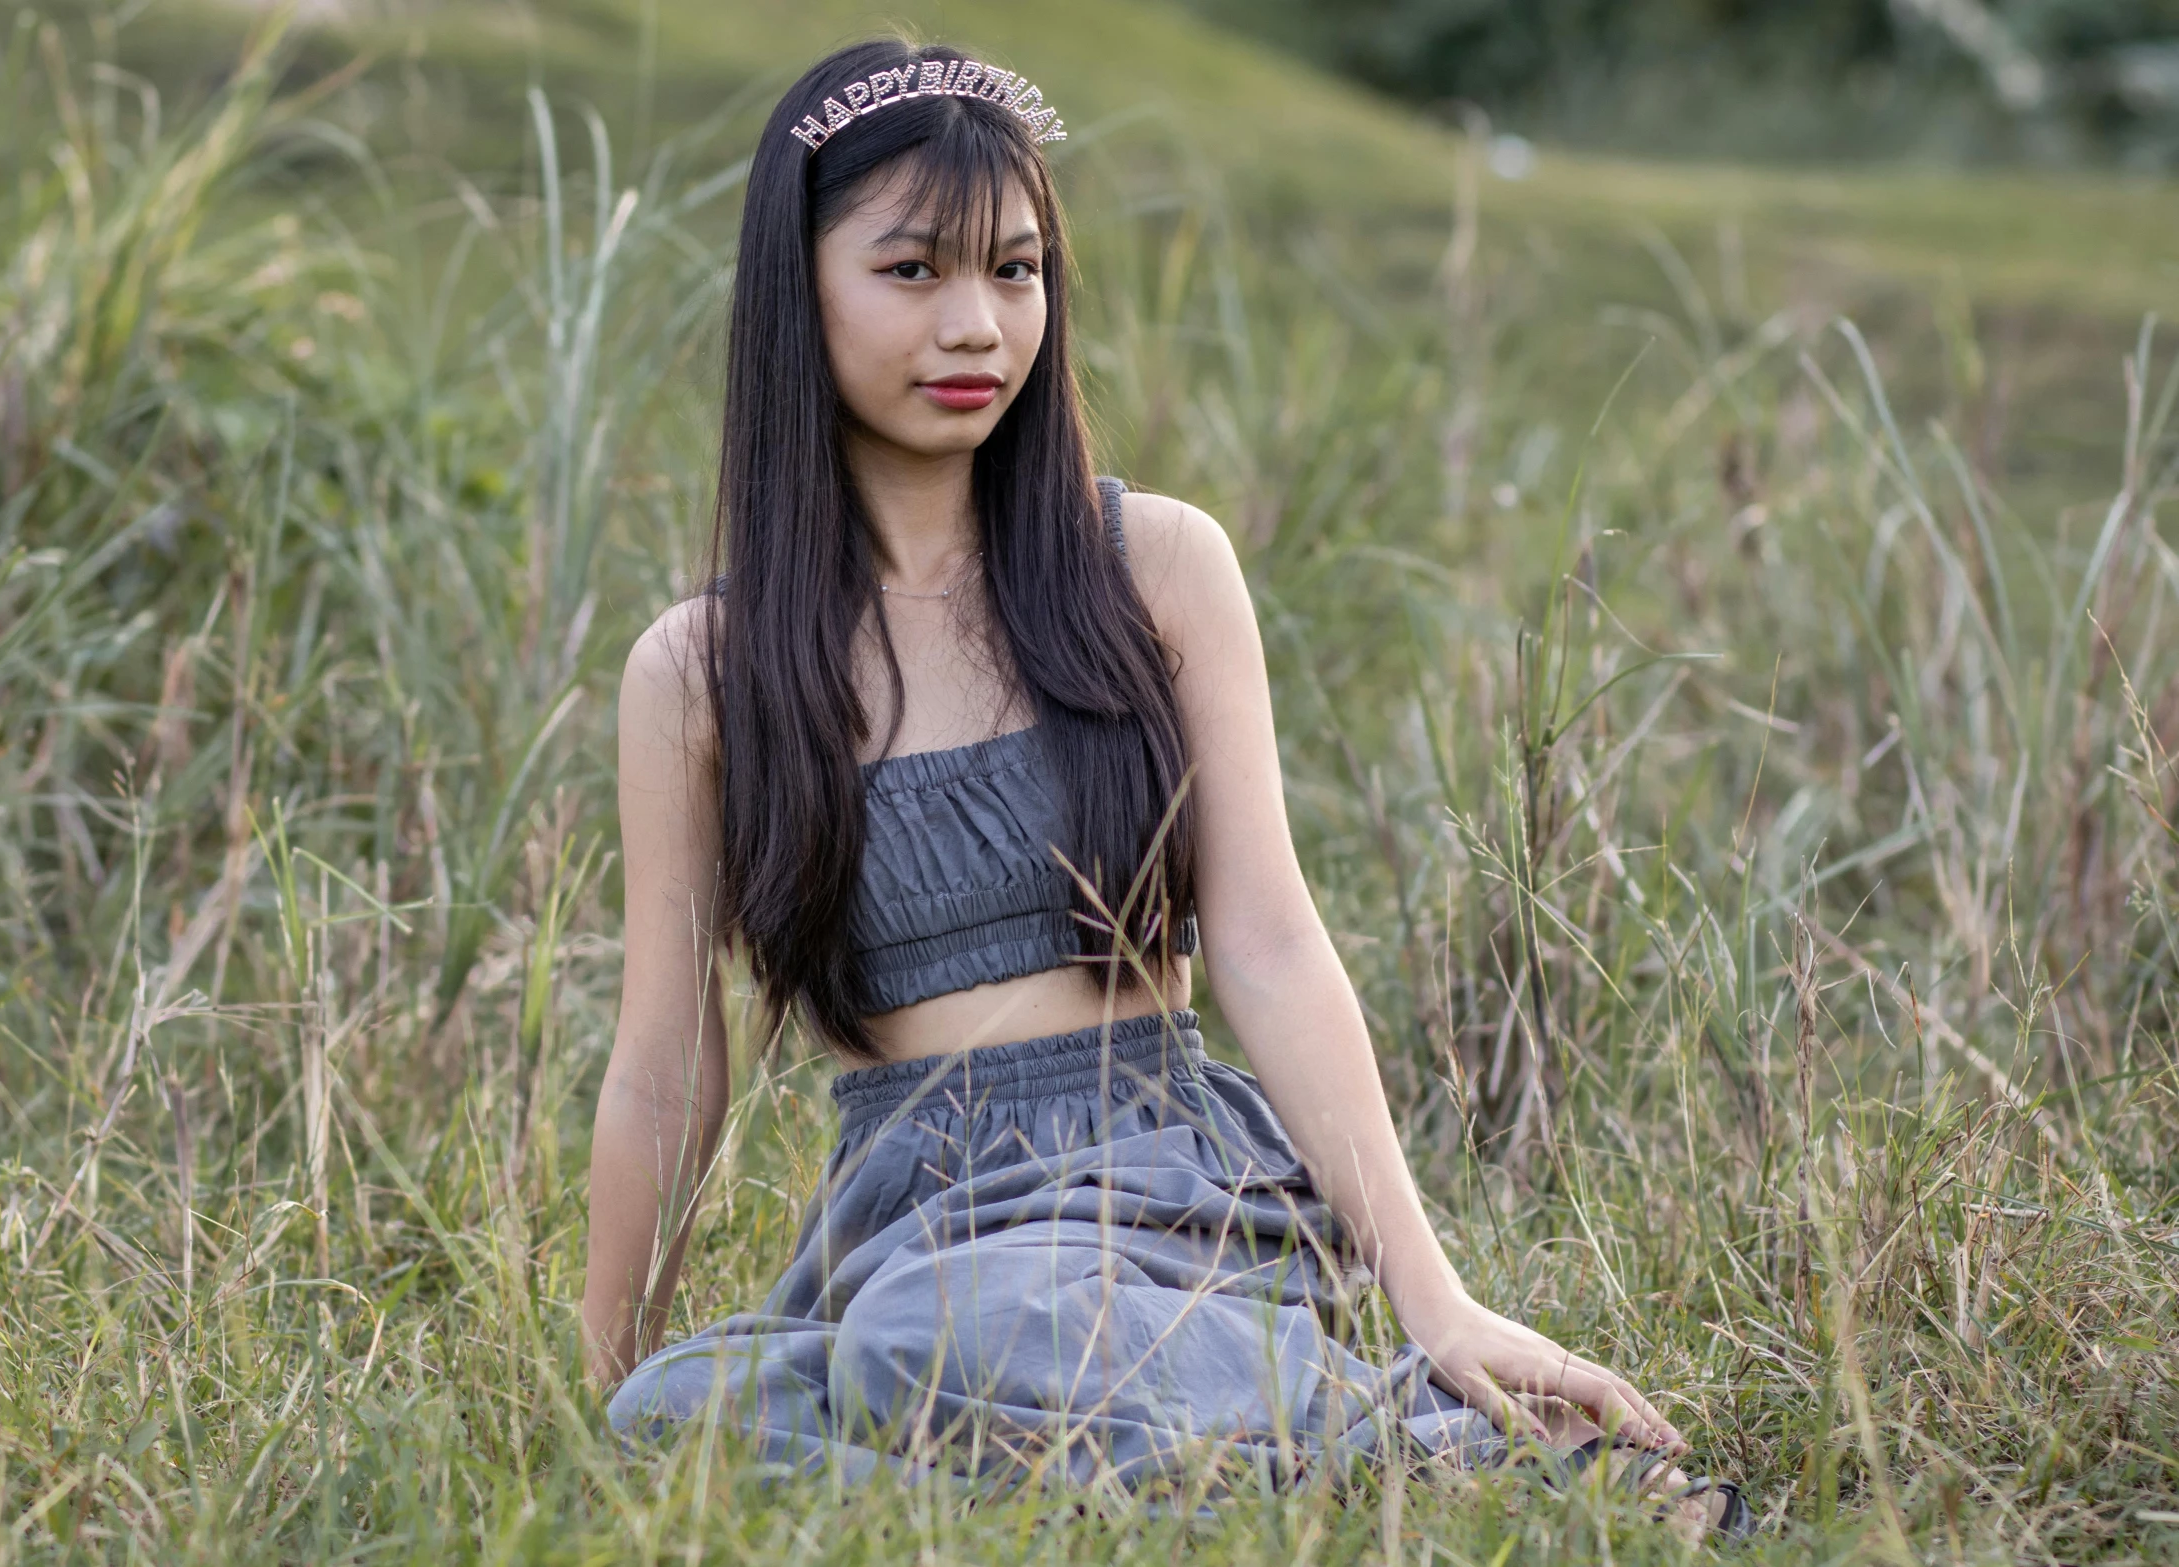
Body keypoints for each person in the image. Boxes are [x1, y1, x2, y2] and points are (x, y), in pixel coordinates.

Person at [583, 38, 1749, 1539]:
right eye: (911, 270)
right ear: (795, 290)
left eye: (1013, 270)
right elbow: (664, 1066)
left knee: (942, 1337)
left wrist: (1436, 1294)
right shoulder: (701, 671)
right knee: (682, 1411)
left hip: (1163, 1185)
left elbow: (1266, 939)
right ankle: (1205, 1460)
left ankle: (1433, 1439)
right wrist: (605, 1388)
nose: (975, 323)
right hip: (901, 1231)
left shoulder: (1155, 569)